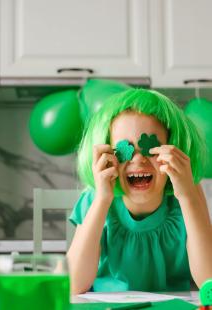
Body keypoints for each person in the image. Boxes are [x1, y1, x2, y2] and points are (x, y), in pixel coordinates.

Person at [67, 88, 212, 294]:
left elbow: (209, 281)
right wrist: (102, 200)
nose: (138, 159)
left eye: (150, 147)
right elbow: (72, 285)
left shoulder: (187, 194)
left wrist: (187, 196)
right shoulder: (95, 198)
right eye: (124, 149)